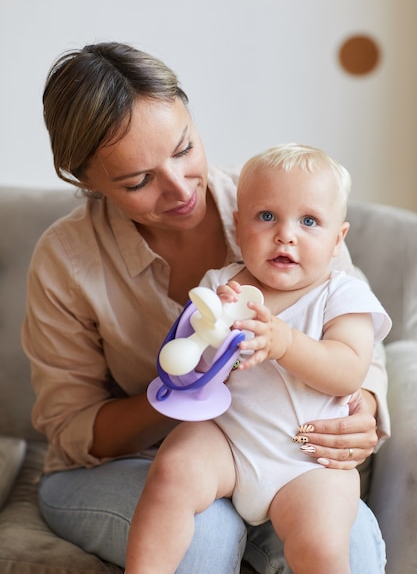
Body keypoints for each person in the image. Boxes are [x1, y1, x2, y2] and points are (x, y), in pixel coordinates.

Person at [22, 42, 390, 574]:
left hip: (284, 452)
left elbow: (355, 337)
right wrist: (188, 389)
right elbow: (74, 428)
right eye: (138, 180)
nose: (178, 188)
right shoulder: (66, 260)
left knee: (346, 538)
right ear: (88, 183)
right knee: (206, 527)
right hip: (133, 464)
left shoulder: (283, 203)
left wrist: (367, 407)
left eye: (183, 148)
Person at [124, 144, 391, 574]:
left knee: (322, 546)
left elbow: (347, 370)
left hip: (307, 460)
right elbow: (195, 370)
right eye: (267, 217)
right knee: (171, 471)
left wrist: (284, 343)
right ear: (239, 225)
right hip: (228, 443)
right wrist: (211, 331)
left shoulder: (343, 295)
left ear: (338, 239)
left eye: (309, 221)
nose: (286, 234)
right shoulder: (221, 286)